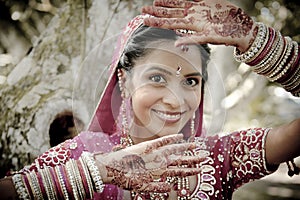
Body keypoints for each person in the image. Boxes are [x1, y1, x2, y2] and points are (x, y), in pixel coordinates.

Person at [1, 0, 300, 199]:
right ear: (124, 80)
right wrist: (100, 171)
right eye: (157, 78)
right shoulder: (81, 156)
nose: (175, 100)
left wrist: (254, 38)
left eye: (190, 81)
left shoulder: (218, 158)